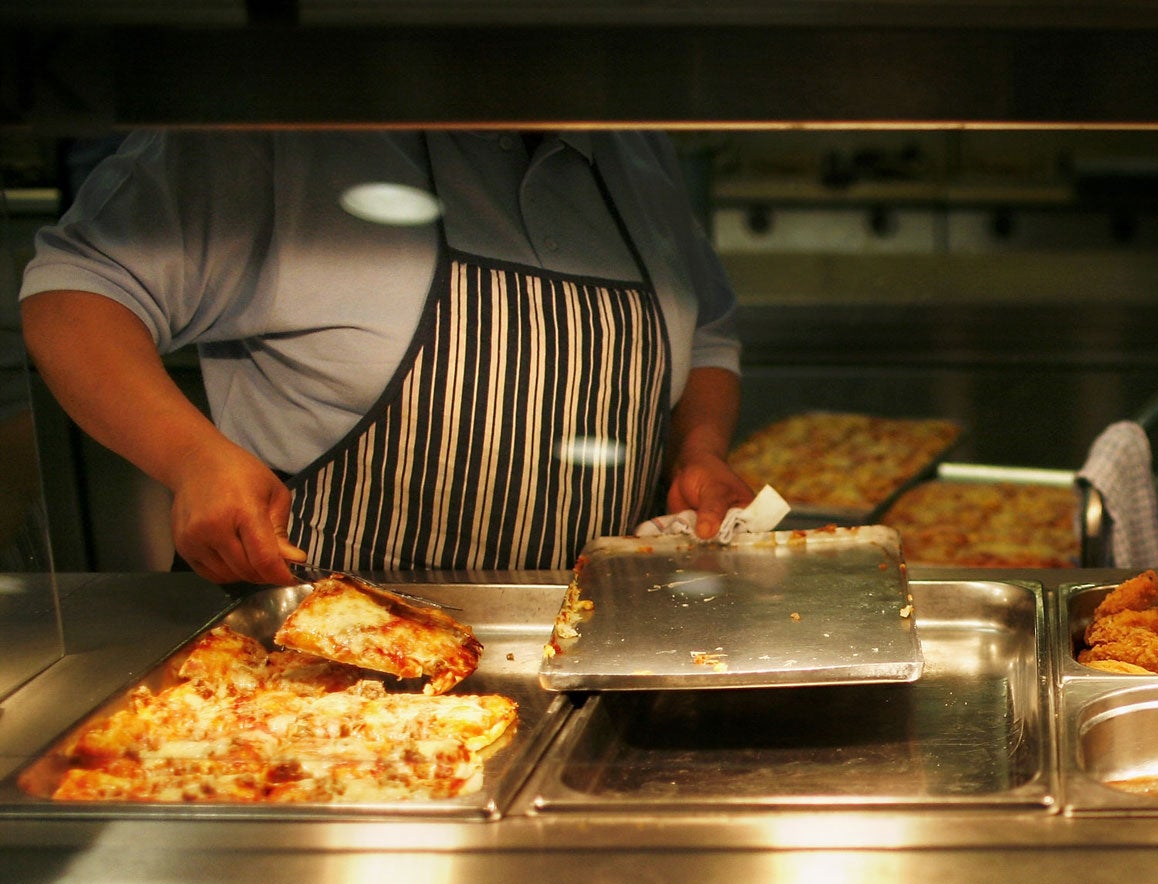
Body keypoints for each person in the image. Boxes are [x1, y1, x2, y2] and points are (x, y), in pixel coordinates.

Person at [19, 129, 750, 586]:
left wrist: (700, 447)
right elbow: (78, 290)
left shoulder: (635, 144)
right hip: (309, 664)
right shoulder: (290, 123)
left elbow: (708, 328)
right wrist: (192, 459)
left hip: (581, 640)